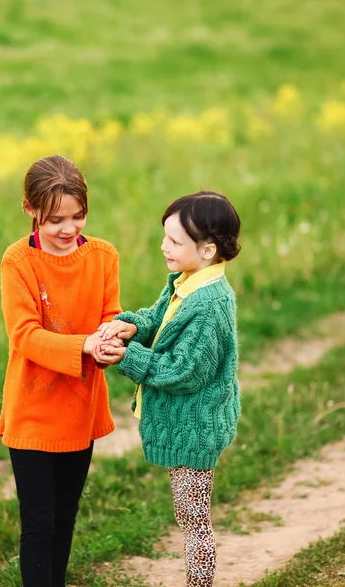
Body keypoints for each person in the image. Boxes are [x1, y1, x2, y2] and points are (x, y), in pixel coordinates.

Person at [94, 191, 241, 587]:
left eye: (175, 241)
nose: (164, 246)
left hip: (197, 426)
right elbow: (159, 318)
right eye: (165, 236)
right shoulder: (188, 281)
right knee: (187, 512)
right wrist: (132, 327)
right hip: (188, 422)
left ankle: (200, 583)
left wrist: (126, 357)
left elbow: (183, 371)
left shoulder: (209, 305)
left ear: (208, 249)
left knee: (194, 518)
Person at [0, 154, 122, 587]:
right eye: (55, 220)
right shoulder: (18, 262)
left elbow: (111, 314)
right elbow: (25, 336)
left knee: (65, 521)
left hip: (79, 408)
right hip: (31, 411)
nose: (69, 229)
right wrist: (83, 344)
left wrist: (110, 341)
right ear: (30, 210)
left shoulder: (103, 256)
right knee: (39, 524)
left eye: (78, 216)